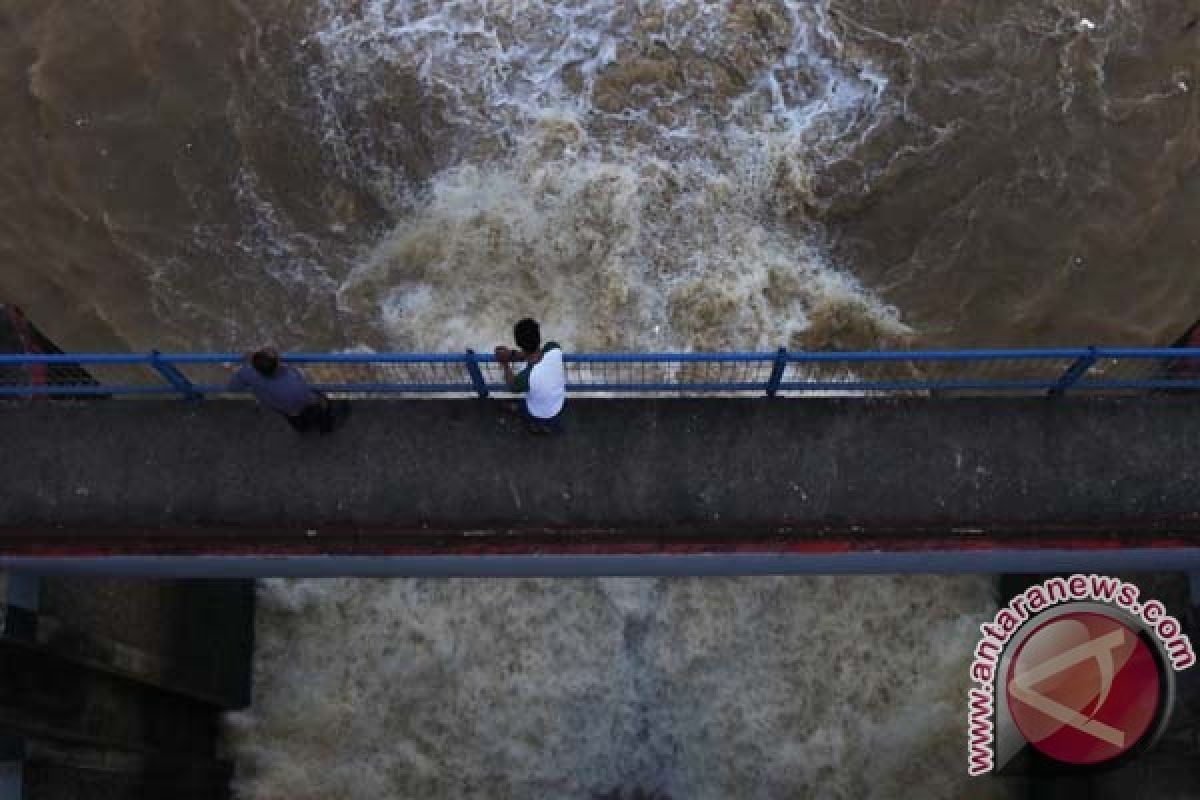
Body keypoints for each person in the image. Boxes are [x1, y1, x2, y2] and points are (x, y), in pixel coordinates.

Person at [228, 347, 339, 433]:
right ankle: (326, 426)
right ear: (277, 364)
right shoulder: (291, 378)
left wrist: (248, 368)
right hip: (301, 404)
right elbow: (308, 398)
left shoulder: (247, 372)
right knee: (320, 405)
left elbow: (232, 388)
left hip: (281, 408)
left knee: (295, 420)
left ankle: (302, 429)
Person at [495, 318, 565, 434]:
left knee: (528, 410)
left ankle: (535, 426)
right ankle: (546, 428)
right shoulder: (554, 348)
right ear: (539, 337)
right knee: (543, 414)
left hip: (537, 411)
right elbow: (537, 354)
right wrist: (512, 354)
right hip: (558, 403)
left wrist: (505, 363)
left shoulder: (527, 377)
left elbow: (512, 387)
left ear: (518, 344)